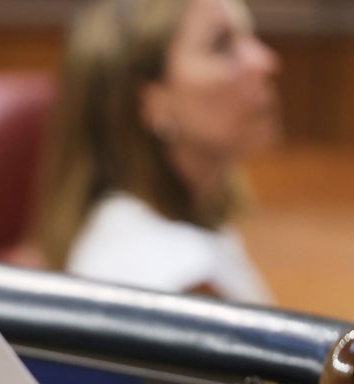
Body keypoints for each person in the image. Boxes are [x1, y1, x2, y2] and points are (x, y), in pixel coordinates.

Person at [30, 0, 281, 302]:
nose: (265, 61)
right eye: (222, 46)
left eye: (248, 36)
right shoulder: (178, 282)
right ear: (152, 101)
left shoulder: (188, 216)